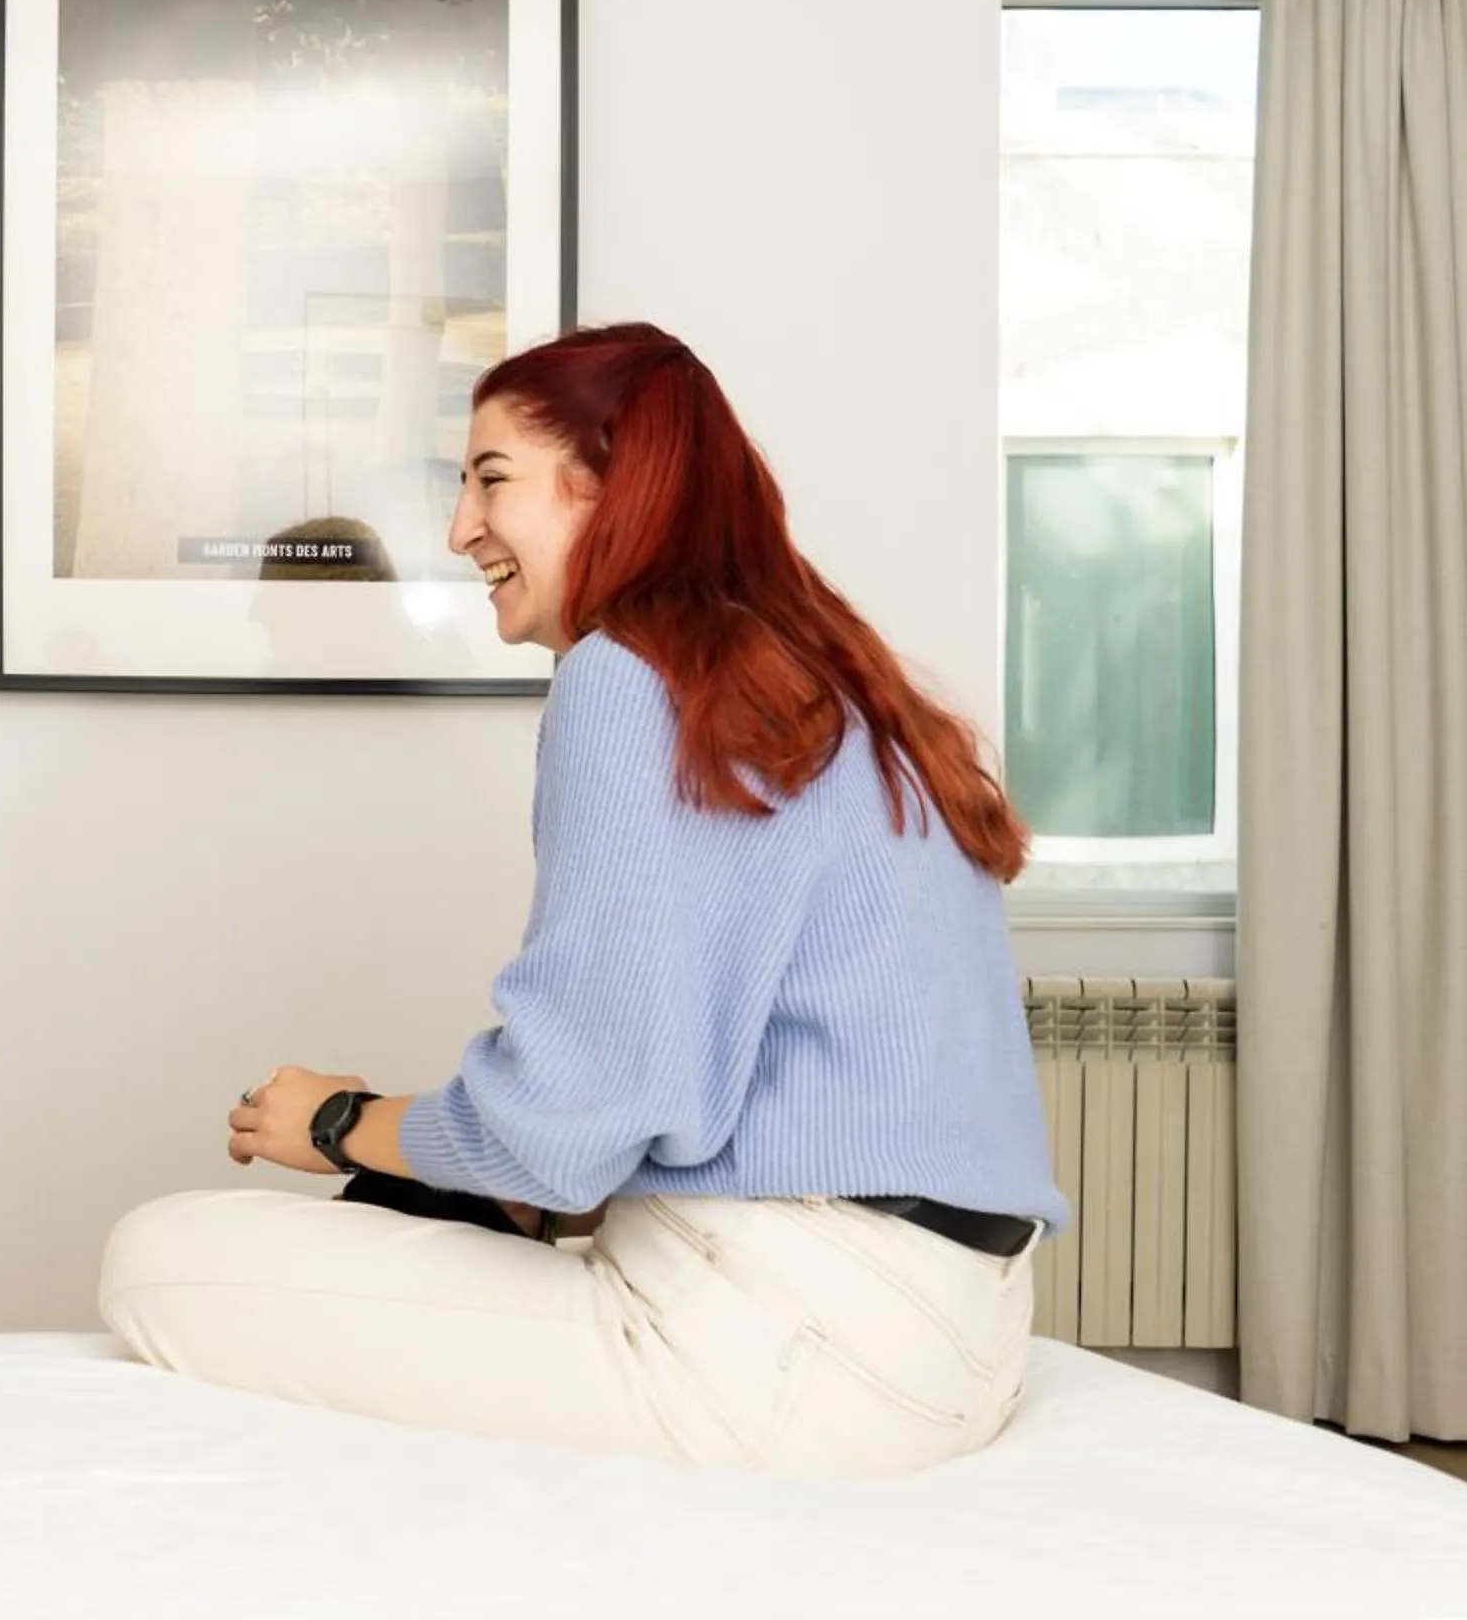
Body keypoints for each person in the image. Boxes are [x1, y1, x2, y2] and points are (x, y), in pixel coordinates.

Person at [100, 321, 1063, 1479]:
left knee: (151, 1257)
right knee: (413, 1230)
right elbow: (688, 1075)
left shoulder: (628, 676)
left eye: (490, 479)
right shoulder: (838, 684)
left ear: (611, 486)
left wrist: (338, 1119)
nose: (460, 528)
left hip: (799, 1345)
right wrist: (489, 1177)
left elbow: (570, 1117)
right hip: (959, 1335)